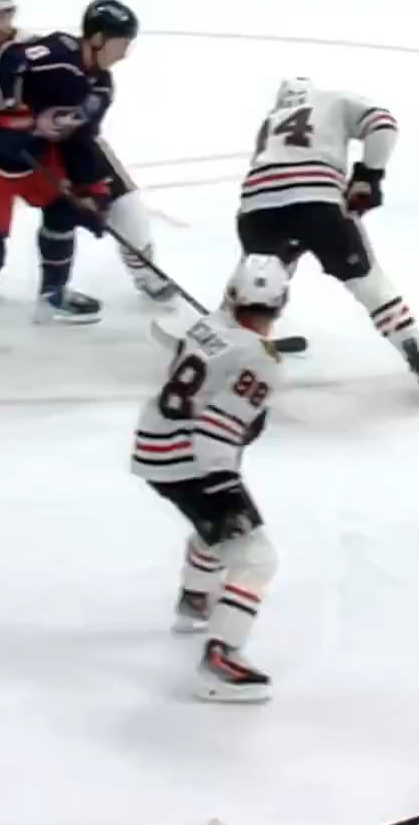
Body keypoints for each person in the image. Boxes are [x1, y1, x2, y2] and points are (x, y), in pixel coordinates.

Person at [0, 0, 177, 303]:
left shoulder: (34, 47)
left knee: (127, 211)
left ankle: (146, 273)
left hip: (62, 144)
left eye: (2, 12)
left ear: (13, 12)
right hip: (3, 152)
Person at [0, 0, 137, 344]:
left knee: (64, 209)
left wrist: (93, 195)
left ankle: (52, 297)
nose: (125, 54)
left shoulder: (100, 88)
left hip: (35, 154)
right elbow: (6, 60)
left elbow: (82, 141)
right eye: (121, 44)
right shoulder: (56, 52)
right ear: (97, 39)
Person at [129, 254, 290, 702]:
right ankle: (222, 659)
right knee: (254, 556)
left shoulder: (206, 325)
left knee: (217, 530)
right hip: (189, 458)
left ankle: (196, 599)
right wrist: (228, 495)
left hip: (152, 441)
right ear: (281, 304)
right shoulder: (262, 360)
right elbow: (217, 431)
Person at [236, 77, 419, 388]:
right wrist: (368, 176)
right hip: (318, 204)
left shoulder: (271, 119)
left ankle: (231, 339)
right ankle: (416, 353)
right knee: (368, 282)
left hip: (257, 208)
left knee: (259, 280)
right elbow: (383, 124)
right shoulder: (333, 100)